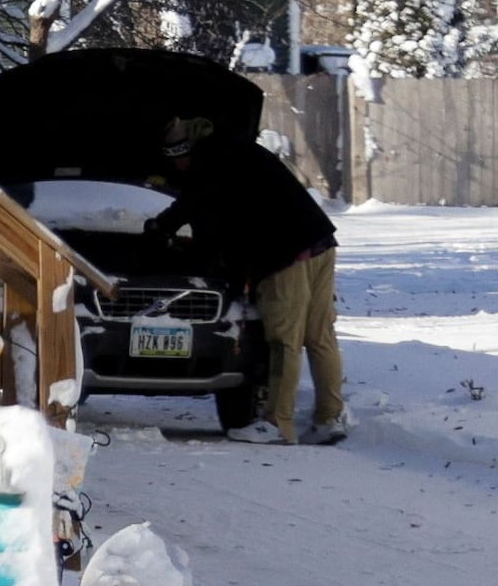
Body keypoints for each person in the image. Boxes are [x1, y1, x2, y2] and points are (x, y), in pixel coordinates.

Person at [140, 110, 346, 444]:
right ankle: (330, 418)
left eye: (178, 160)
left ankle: (278, 423)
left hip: (284, 253)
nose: (178, 169)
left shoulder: (209, 163)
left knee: (284, 341)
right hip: (319, 240)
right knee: (320, 335)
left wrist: (162, 229)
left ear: (186, 150)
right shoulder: (234, 148)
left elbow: (201, 211)